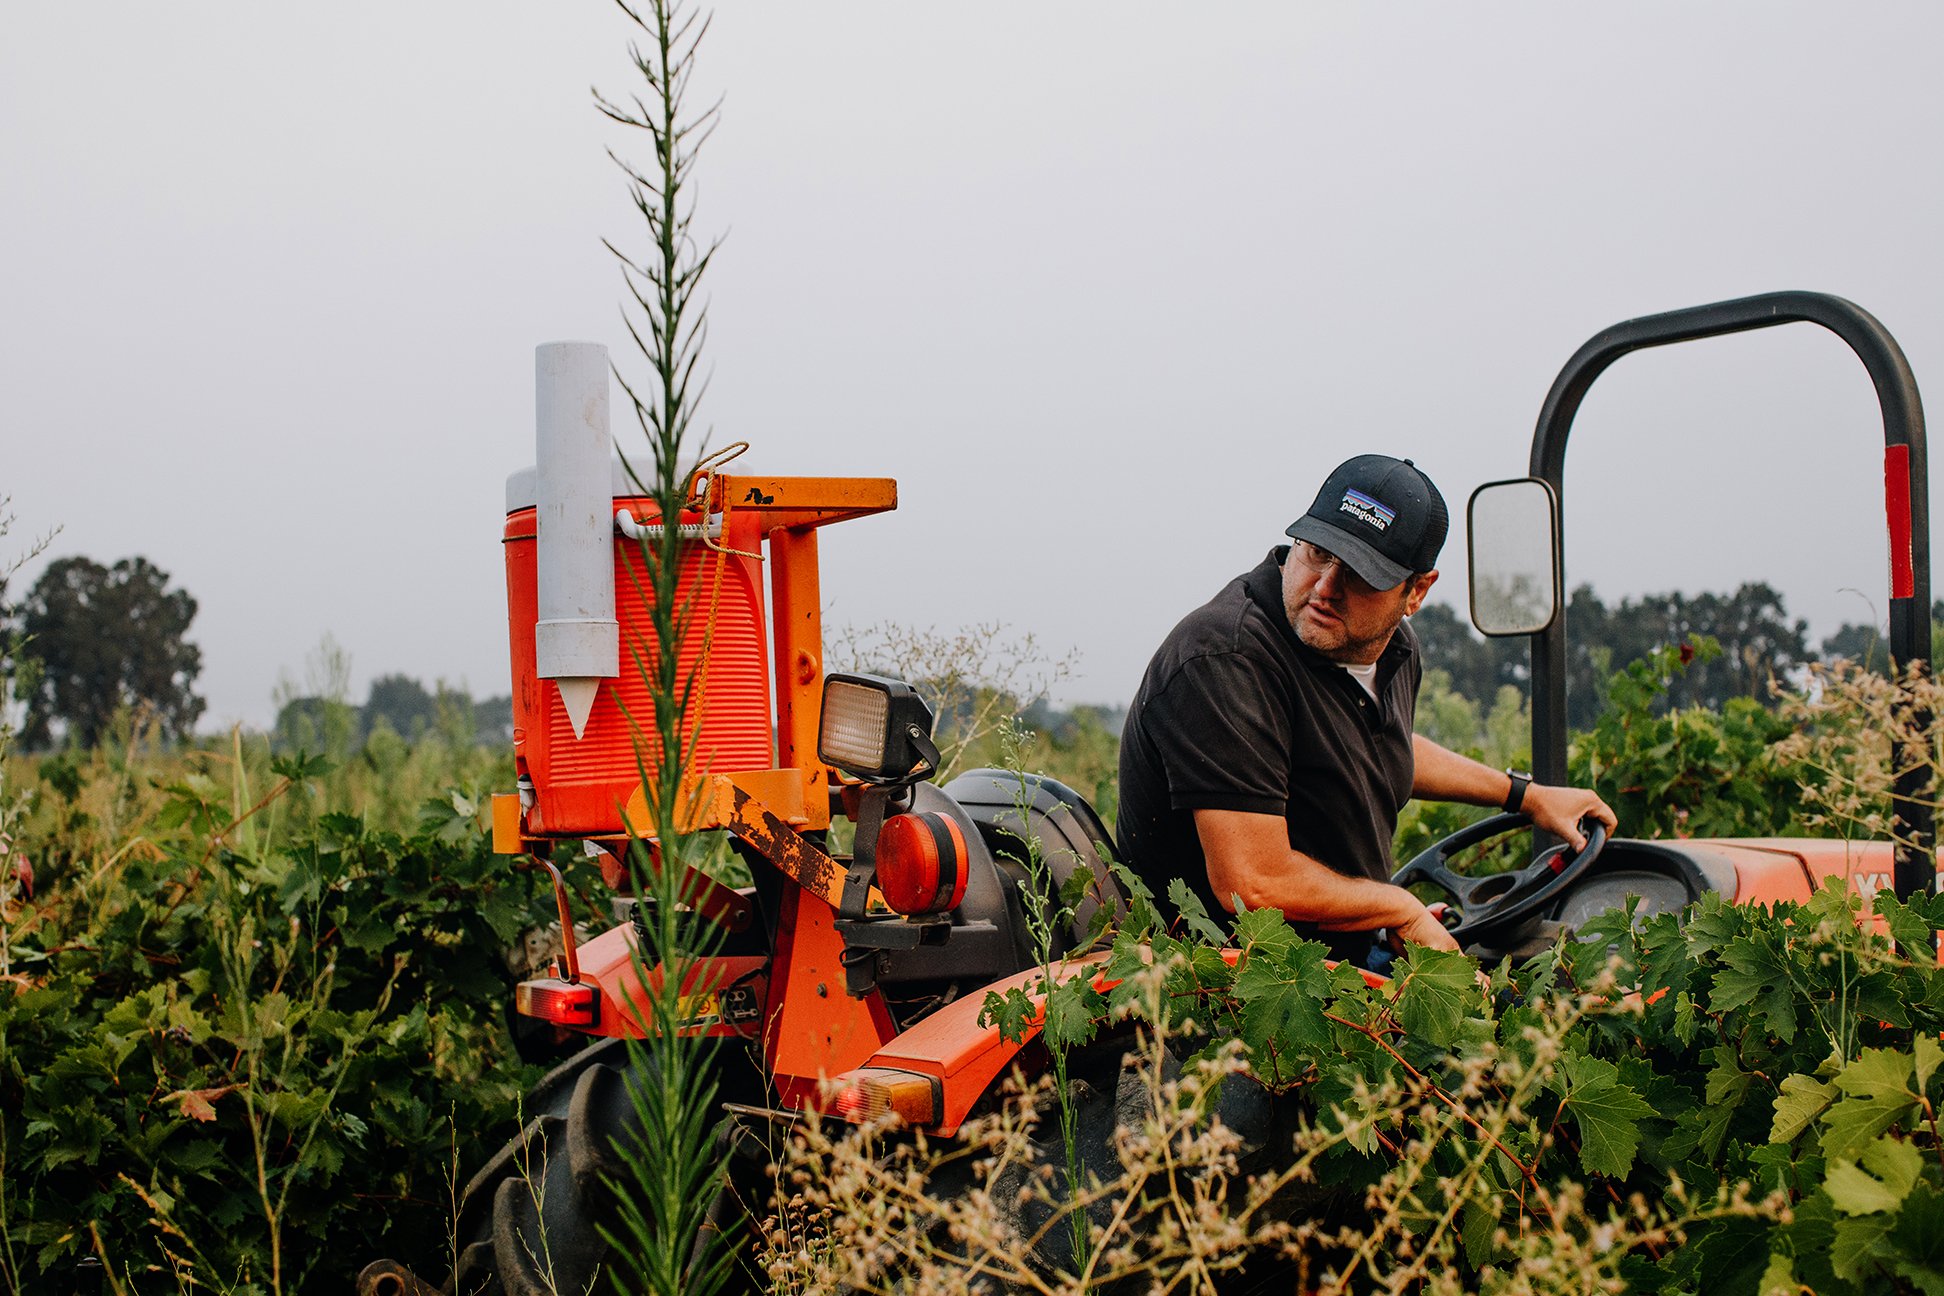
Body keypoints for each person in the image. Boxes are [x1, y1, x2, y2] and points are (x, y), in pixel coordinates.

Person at [1117, 453, 1616, 958]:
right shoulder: (1226, 658)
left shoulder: (1392, 648)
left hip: (1343, 957)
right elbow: (1253, 882)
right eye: (1317, 552)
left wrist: (1527, 797)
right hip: (1229, 989)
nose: (1325, 588)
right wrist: (1396, 908)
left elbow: (1380, 747)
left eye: (1360, 573)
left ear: (1416, 591)